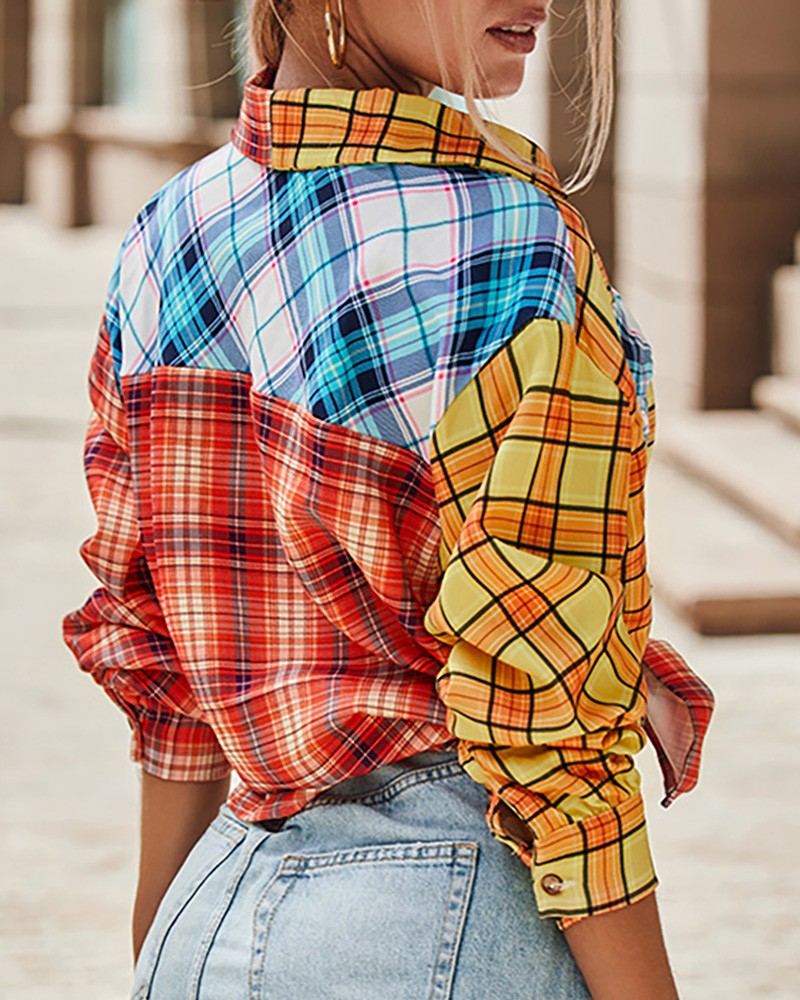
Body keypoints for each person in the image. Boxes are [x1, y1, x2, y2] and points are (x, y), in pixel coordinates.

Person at [63, 1, 715, 997]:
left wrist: (161, 947)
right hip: (441, 922)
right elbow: (540, 716)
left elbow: (156, 657)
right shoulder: (511, 247)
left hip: (207, 914)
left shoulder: (172, 228)